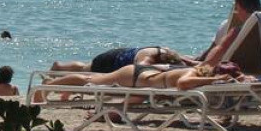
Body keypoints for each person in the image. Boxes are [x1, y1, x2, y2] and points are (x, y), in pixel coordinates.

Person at [33, 62, 250, 103]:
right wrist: (216, 79)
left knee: (93, 81)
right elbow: (183, 84)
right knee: (91, 81)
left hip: (144, 80)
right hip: (136, 76)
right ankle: (46, 87)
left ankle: (52, 86)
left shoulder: (200, 77)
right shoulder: (194, 73)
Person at [199, 0, 261, 67]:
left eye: (236, 7)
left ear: (238, 6)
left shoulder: (238, 32)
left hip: (238, 70)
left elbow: (213, 57)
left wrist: (199, 68)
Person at [51, 45, 196, 75]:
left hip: (122, 53)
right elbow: (138, 70)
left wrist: (193, 64)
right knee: (86, 69)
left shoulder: (168, 53)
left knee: (86, 67)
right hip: (112, 60)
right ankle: (59, 67)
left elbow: (184, 60)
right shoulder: (146, 59)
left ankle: (60, 67)